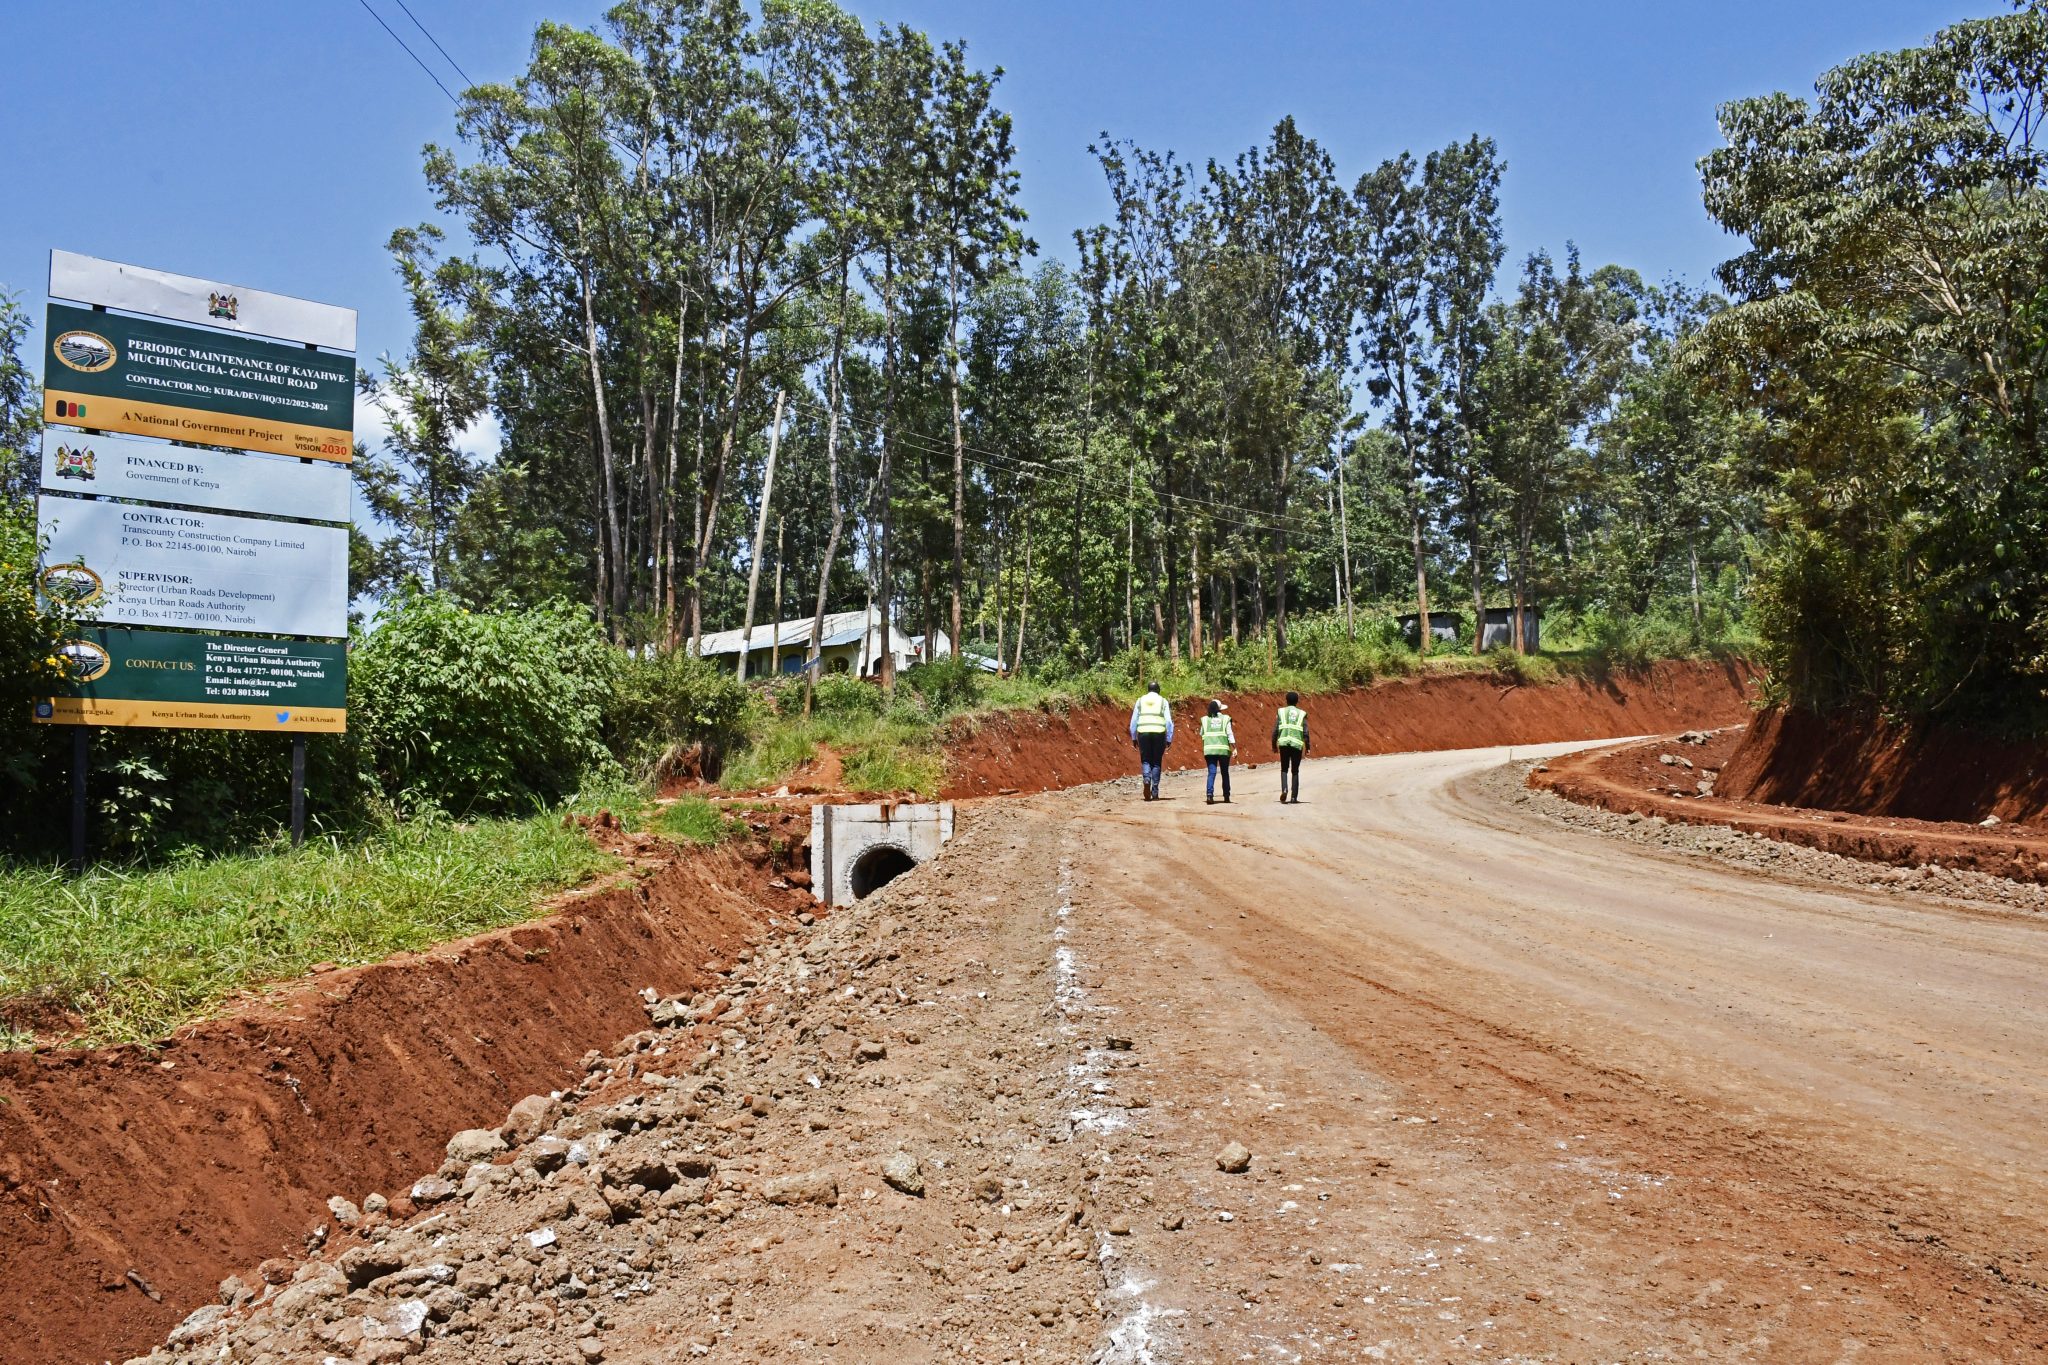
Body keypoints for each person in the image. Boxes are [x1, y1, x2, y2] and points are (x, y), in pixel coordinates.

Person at [1128, 681, 1174, 801]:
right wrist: (1169, 738)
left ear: (1148, 690)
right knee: (1157, 761)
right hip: (1159, 733)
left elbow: (1133, 721)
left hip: (1143, 733)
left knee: (1146, 759)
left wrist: (1133, 737)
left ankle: (1147, 779)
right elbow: (1168, 722)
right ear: (1158, 690)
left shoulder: (1140, 700)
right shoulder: (1163, 701)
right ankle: (1155, 791)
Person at [1273, 690, 1309, 803]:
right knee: (1295, 770)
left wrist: (1273, 744)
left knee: (1284, 768)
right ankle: (1294, 797)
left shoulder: (1281, 712)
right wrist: (1308, 747)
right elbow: (1306, 732)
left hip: (1283, 743)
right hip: (1296, 745)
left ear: (1286, 700)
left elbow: (1276, 729)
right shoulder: (1301, 713)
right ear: (1297, 701)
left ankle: (1284, 789)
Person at [1199, 699, 1236, 804]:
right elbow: (1229, 734)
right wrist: (1234, 747)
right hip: (1223, 750)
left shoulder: (1205, 720)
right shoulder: (1225, 719)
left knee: (1212, 772)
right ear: (1220, 709)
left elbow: (1201, 733)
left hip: (1209, 750)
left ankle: (1209, 795)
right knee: (1225, 773)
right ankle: (1226, 796)